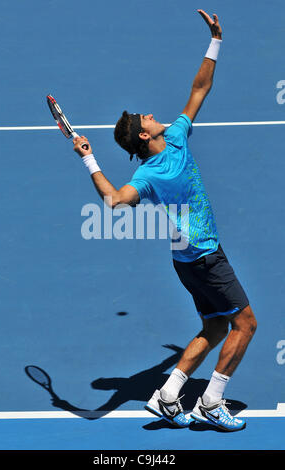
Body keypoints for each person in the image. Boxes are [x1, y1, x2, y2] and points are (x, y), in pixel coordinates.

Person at [73, 10, 257, 432]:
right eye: (145, 117)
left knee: (213, 326)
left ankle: (168, 394)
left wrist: (215, 41)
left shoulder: (174, 133)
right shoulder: (149, 174)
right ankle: (211, 402)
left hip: (185, 259)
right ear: (144, 135)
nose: (152, 113)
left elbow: (199, 87)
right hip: (206, 256)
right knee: (245, 324)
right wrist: (88, 158)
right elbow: (116, 200)